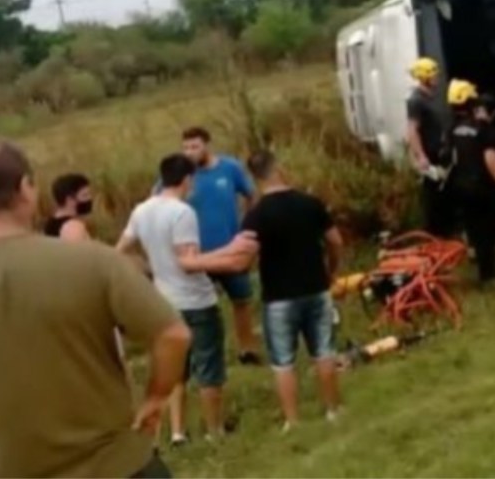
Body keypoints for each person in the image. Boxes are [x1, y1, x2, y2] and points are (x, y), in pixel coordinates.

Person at [0, 139, 190, 479]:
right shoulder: (94, 263)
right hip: (119, 468)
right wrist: (155, 398)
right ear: (25, 189)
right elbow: (173, 335)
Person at [119, 153, 255, 446]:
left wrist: (151, 268)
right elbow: (189, 262)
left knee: (176, 369)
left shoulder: (141, 210)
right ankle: (213, 430)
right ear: (187, 180)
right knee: (209, 367)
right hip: (195, 301)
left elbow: (121, 250)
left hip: (164, 301)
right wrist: (230, 253)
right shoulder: (182, 213)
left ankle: (178, 432)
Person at [221, 150, 344, 432]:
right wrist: (331, 270)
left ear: (255, 178)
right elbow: (335, 242)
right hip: (315, 287)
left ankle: (293, 420)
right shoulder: (310, 203)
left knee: (283, 361)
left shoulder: (256, 215)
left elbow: (244, 259)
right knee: (324, 352)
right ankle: (333, 409)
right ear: (279, 168)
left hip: (279, 296)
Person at [178, 126, 262, 366]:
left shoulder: (229, 167)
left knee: (241, 300)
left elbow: (251, 194)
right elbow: (161, 200)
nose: (189, 152)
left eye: (194, 146)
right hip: (197, 255)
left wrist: (247, 224)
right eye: (185, 147)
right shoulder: (181, 175)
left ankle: (246, 349)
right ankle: (199, 354)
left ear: (207, 145)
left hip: (230, 250)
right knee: (196, 306)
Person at [444, 80, 495, 284]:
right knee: (489, 230)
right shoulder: (484, 129)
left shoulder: (451, 129)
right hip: (483, 188)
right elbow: (491, 161)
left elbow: (448, 157)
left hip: (460, 187)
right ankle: (489, 276)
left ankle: (476, 256)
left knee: (472, 226)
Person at [406, 57, 454, 238]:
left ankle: (445, 229)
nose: (437, 78)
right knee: (432, 194)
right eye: (433, 75)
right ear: (424, 77)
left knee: (443, 191)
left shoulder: (430, 97)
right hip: (429, 153)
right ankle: (435, 232)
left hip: (439, 150)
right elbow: (412, 129)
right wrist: (421, 156)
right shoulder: (416, 101)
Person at [44, 172, 93, 239]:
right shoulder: (73, 227)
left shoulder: (51, 224)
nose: (89, 198)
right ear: (70, 200)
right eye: (85, 195)